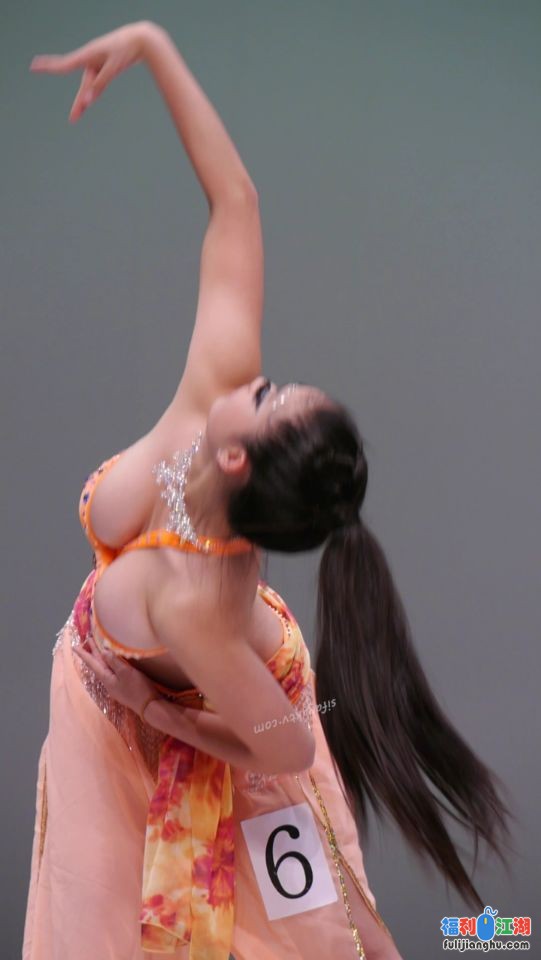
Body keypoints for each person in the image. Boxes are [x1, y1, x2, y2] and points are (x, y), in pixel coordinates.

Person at [23, 20, 514, 960]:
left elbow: (287, 743)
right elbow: (235, 200)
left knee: (322, 932)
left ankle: (481, 938)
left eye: (271, 396)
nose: (260, 378)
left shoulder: (192, 599)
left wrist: (164, 716)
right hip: (134, 704)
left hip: (243, 704)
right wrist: (152, 44)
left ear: (240, 460)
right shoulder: (217, 386)